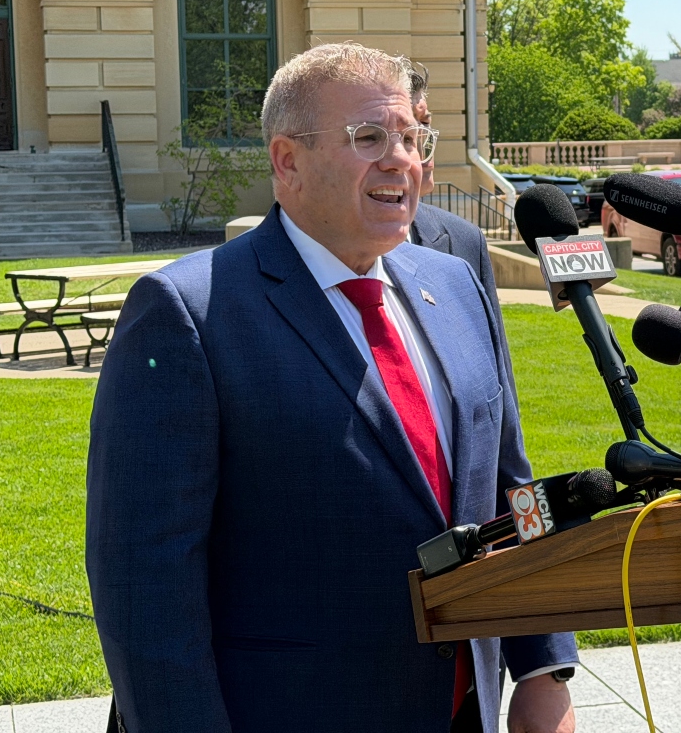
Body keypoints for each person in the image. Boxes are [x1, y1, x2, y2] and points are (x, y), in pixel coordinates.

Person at [86, 43, 577, 733]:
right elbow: (145, 584)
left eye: (410, 137)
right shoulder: (187, 313)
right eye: (369, 137)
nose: (402, 160)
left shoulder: (457, 285)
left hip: (467, 710)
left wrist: (544, 666)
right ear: (287, 160)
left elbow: (512, 488)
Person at [407, 66, 515, 399]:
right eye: (401, 132)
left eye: (423, 126)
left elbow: (500, 391)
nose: (421, 145)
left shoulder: (464, 241)